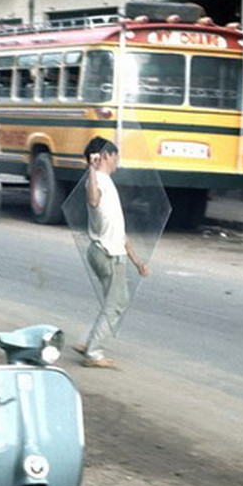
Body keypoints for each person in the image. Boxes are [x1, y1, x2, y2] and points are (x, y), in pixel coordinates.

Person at [75, 136, 150, 369]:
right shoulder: (96, 181)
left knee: (113, 301)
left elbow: (119, 230)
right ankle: (94, 353)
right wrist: (91, 169)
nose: (117, 160)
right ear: (105, 155)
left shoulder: (106, 181)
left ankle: (89, 344)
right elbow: (92, 200)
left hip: (109, 251)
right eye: (115, 155)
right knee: (117, 303)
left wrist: (136, 261)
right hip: (107, 254)